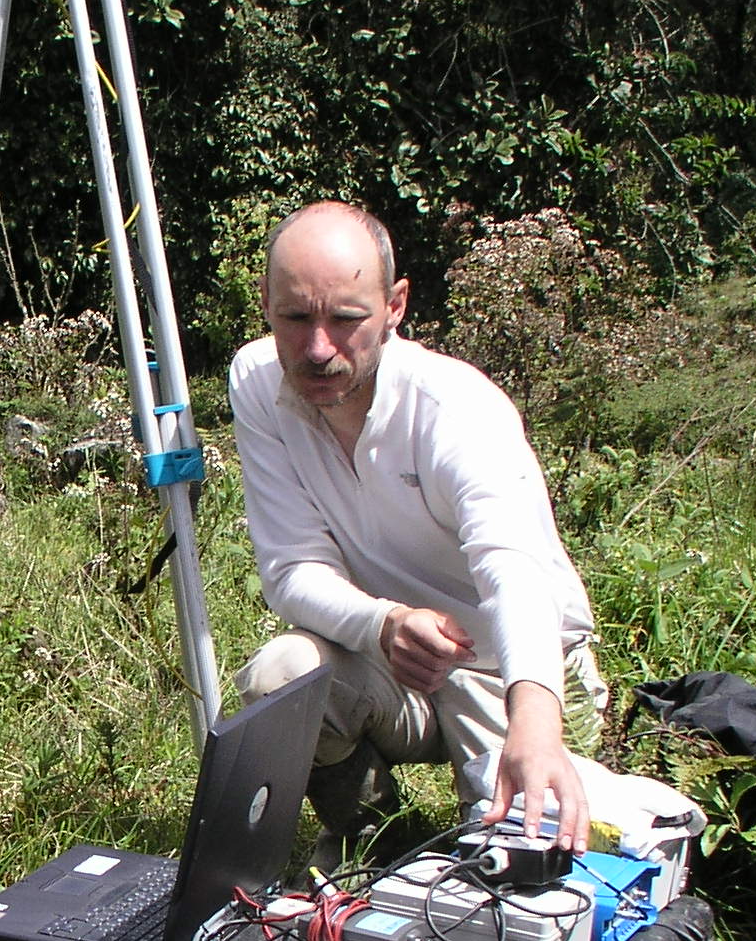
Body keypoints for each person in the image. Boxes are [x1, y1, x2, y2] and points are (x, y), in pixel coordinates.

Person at [229, 200, 603, 859]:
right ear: (265, 302)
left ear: (395, 306)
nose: (318, 349)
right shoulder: (259, 384)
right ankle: (368, 834)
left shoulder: (456, 408)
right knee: (283, 675)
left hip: (516, 673)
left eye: (347, 319)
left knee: (517, 868)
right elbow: (291, 569)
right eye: (295, 318)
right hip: (399, 667)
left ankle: (518, 780)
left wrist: (537, 723)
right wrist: (384, 624)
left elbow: (515, 571)